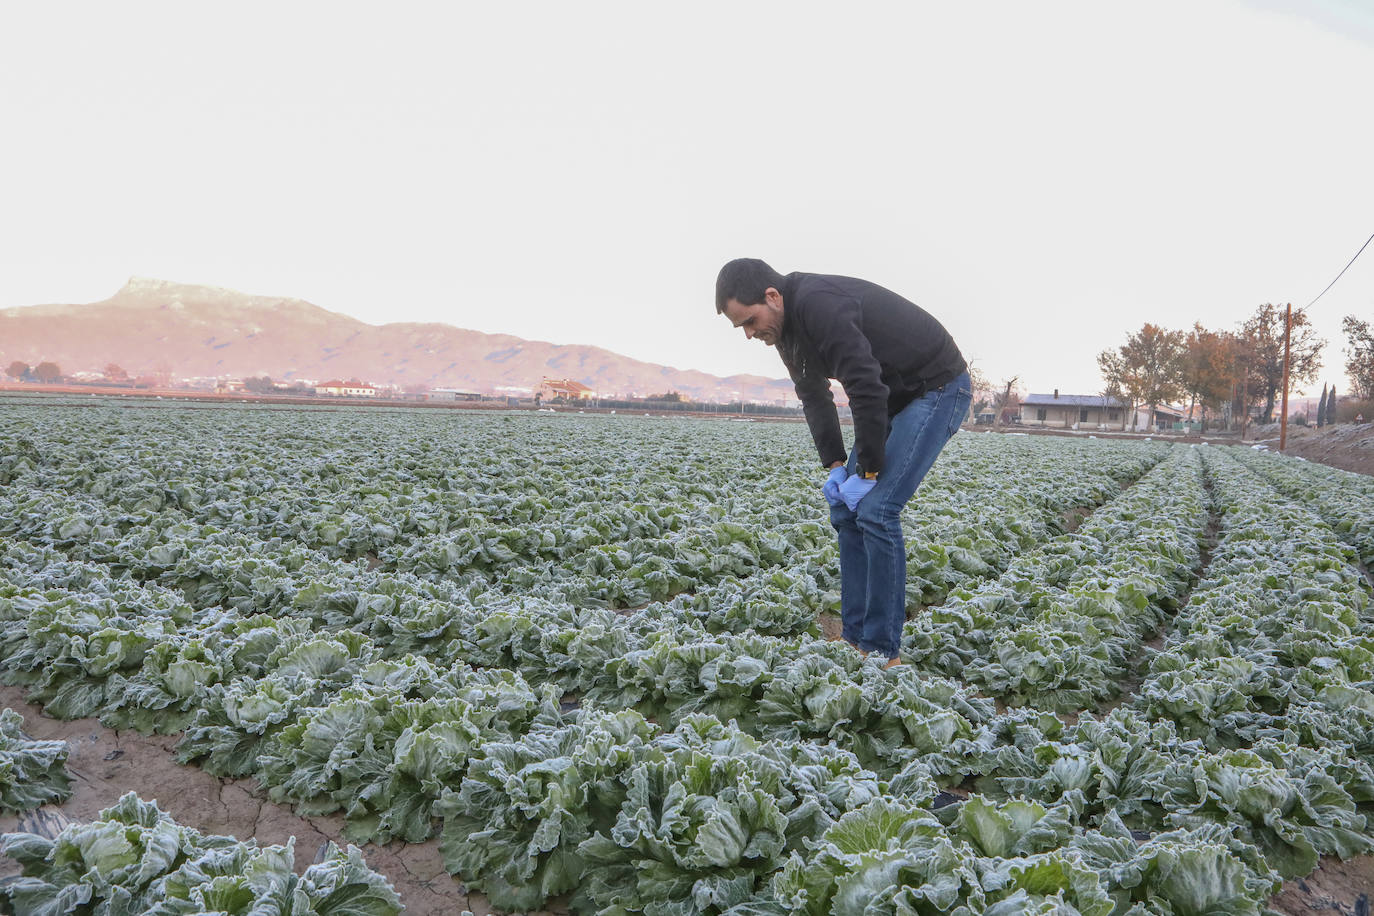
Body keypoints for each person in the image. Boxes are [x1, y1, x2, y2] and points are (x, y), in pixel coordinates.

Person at [715, 258, 971, 668]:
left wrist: (868, 472)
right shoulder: (785, 332)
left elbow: (864, 384)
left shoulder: (819, 304)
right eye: (740, 328)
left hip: (936, 387)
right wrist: (836, 465)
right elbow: (814, 396)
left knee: (877, 508)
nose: (749, 334)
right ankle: (855, 640)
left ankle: (883, 651)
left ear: (772, 296)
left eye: (749, 321)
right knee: (845, 507)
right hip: (892, 396)